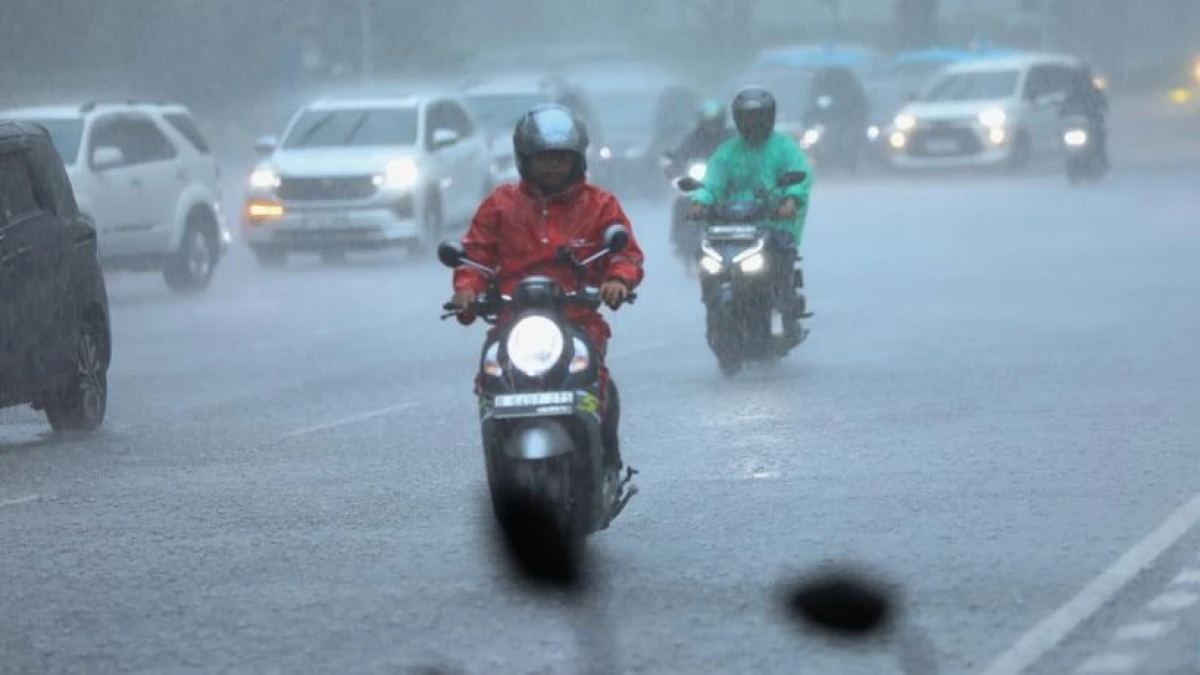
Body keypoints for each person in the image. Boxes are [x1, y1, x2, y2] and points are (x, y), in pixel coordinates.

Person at [448, 103, 644, 471]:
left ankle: (607, 461)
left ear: (577, 160)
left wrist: (618, 280)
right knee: (492, 380)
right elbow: (475, 256)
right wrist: (467, 290)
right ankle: (499, 453)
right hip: (512, 322)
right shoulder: (500, 205)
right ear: (524, 159)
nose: (552, 165)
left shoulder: (601, 205)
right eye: (543, 158)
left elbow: (626, 254)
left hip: (577, 319)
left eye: (561, 157)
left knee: (596, 383)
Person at [688, 86, 814, 341]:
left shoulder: (784, 148)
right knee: (705, 258)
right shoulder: (727, 152)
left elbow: (800, 177)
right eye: (747, 117)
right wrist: (700, 201)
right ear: (737, 119)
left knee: (778, 262)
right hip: (729, 228)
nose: (753, 123)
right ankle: (713, 305)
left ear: (770, 117)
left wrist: (789, 199)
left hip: (773, 225)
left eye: (759, 117)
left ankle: (783, 307)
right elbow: (711, 182)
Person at [1061, 64, 1109, 170]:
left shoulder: (1093, 91)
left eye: (1081, 76)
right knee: (1062, 135)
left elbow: (1102, 103)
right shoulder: (1071, 92)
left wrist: (1097, 111)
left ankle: (1101, 158)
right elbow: (1065, 104)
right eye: (1078, 77)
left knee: (1099, 135)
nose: (1080, 79)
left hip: (1091, 123)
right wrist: (1062, 112)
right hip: (1075, 124)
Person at [668, 100, 736, 169]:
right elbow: (682, 153)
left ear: (722, 122)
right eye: (708, 123)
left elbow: (744, 146)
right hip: (703, 175)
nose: (713, 126)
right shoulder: (692, 138)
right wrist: (676, 159)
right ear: (701, 123)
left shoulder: (732, 135)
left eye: (716, 122)